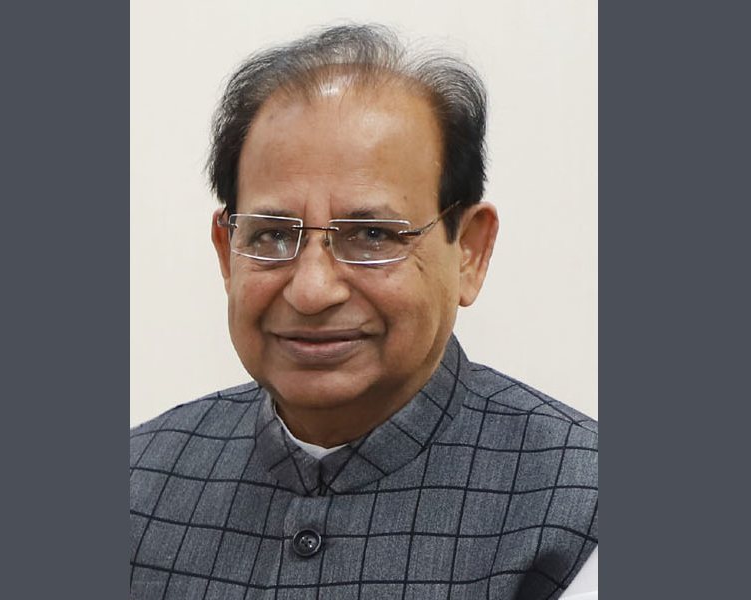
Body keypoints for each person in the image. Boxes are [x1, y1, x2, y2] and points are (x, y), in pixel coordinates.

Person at [130, 24, 597, 600]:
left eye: (373, 235)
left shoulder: (580, 512)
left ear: (470, 252)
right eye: (273, 235)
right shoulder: (137, 483)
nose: (311, 291)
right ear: (228, 253)